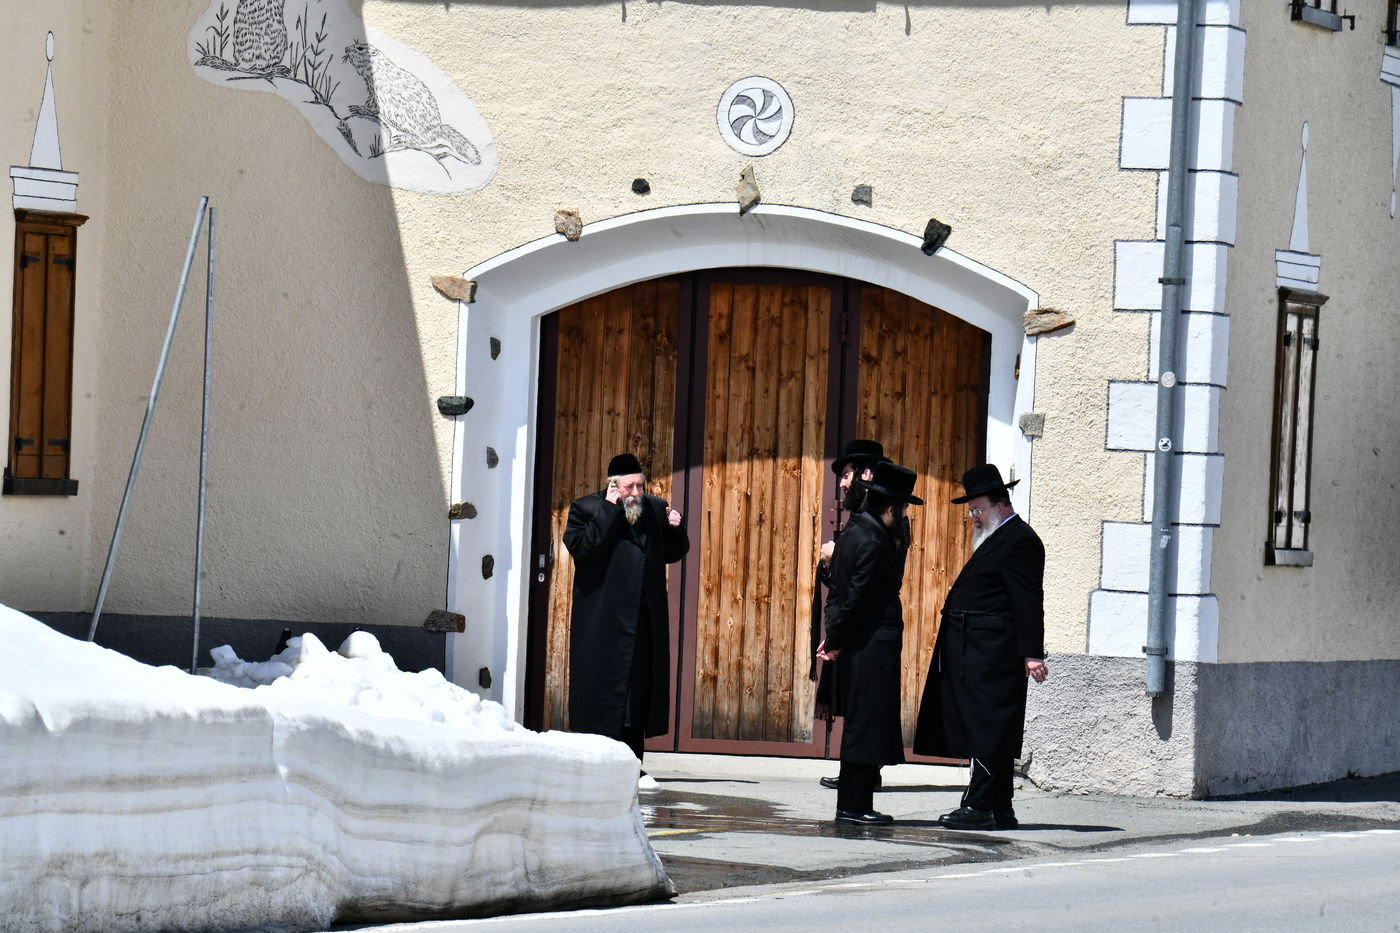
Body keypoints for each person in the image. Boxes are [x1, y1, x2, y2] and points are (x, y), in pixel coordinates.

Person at [913, 463, 1048, 830]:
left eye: (978, 510)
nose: (973, 517)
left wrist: (1032, 652)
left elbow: (1027, 600)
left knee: (987, 726)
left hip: (993, 651)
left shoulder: (1019, 540)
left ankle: (980, 805)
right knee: (990, 725)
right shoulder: (998, 537)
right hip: (977, 648)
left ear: (1001, 505)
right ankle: (1001, 806)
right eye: (971, 511)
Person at [563, 453, 688, 788]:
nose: (636, 492)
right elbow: (584, 549)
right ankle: (596, 762)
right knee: (603, 689)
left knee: (638, 693)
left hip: (643, 618)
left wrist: (675, 528)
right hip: (602, 619)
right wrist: (608, 509)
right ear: (613, 486)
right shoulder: (586, 509)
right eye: (629, 485)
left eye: (640, 485)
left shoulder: (653, 507)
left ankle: (634, 765)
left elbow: (673, 553)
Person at [816, 461, 923, 824]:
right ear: (891, 508)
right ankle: (853, 805)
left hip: (860, 643)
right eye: (903, 509)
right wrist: (836, 639)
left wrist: (834, 638)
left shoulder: (856, 532)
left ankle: (855, 802)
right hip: (870, 644)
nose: (904, 515)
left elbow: (840, 595)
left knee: (865, 721)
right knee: (866, 722)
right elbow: (858, 597)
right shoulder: (874, 540)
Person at [814, 439, 890, 791]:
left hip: (866, 630)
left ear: (867, 474)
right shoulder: (861, 523)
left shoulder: (879, 526)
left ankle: (858, 786)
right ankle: (855, 780)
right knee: (858, 708)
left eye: (847, 475)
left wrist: (836, 636)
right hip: (852, 627)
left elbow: (865, 587)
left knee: (866, 710)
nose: (842, 483)